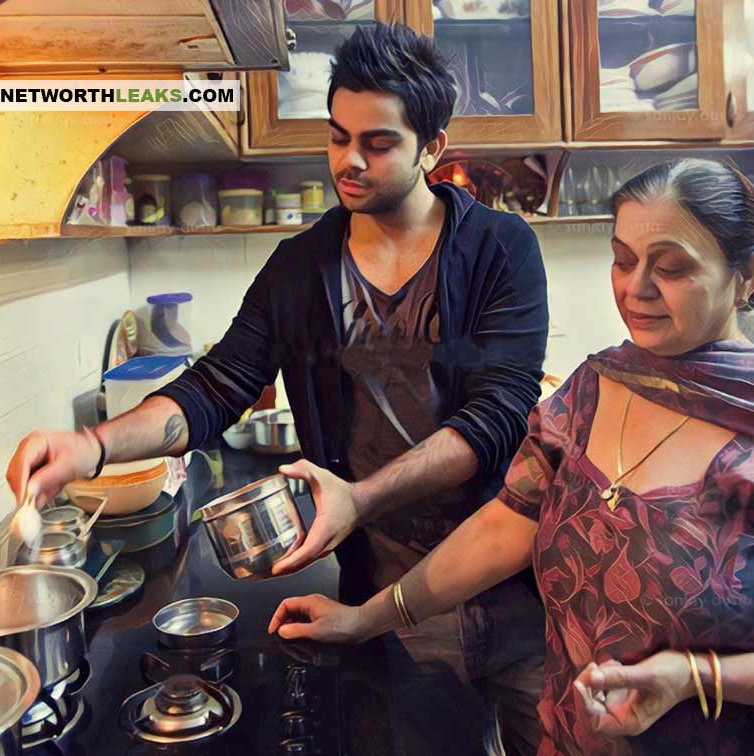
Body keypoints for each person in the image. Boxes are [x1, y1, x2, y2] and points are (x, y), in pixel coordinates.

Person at [6, 23, 549, 754]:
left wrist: (359, 498)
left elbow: (497, 420)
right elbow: (216, 387)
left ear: (433, 148)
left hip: (513, 590)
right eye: (336, 136)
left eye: (378, 143)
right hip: (385, 606)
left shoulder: (499, 248)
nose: (348, 160)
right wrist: (91, 445)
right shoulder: (302, 267)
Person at [268, 157, 754, 756]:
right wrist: (365, 618)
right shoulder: (591, 391)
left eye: (673, 268)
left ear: (746, 275)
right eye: (623, 260)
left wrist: (694, 679)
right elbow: (503, 529)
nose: (636, 288)